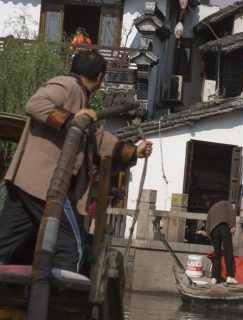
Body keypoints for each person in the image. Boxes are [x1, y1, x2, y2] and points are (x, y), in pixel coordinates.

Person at [0, 51, 152, 275]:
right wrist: (71, 119)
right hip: (49, 187)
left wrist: (133, 150)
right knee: (72, 249)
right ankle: (59, 305)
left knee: (6, 244)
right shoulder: (68, 86)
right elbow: (35, 104)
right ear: (100, 78)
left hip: (25, 183)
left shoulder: (80, 101)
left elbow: (96, 136)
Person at [204, 200, 237, 285]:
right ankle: (230, 276)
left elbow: (207, 224)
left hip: (213, 230)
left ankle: (214, 278)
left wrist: (211, 237)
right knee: (228, 252)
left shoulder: (213, 208)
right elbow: (231, 214)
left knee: (217, 254)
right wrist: (232, 226)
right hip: (224, 227)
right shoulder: (228, 204)